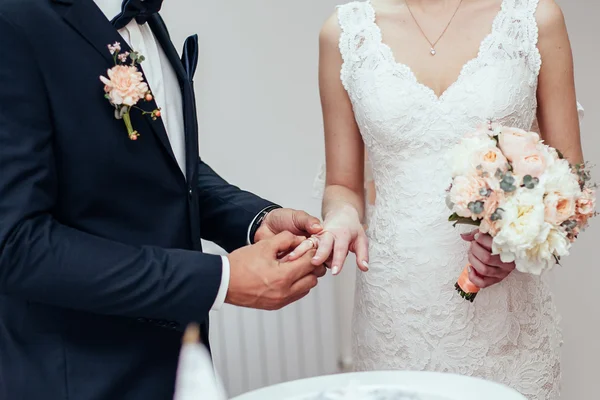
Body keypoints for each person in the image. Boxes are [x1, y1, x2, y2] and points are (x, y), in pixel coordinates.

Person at [0, 0, 326, 399]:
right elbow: (16, 244)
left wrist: (254, 219)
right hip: (82, 379)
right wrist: (219, 279)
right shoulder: (12, 20)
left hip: (177, 367)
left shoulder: (147, 17)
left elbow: (162, 169)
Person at [289, 0, 584, 398]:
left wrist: (518, 245)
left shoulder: (532, 18)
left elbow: (572, 184)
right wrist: (342, 216)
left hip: (506, 317)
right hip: (396, 307)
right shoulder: (345, 33)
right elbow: (343, 183)